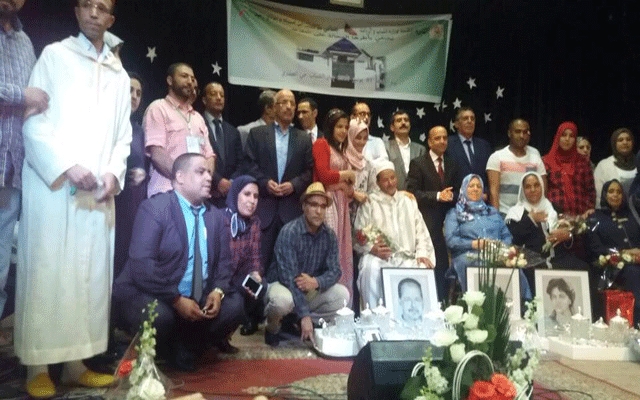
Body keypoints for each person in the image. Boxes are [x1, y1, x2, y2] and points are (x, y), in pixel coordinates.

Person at [17, 0, 131, 396]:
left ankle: (75, 365)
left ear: (111, 18)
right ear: (77, 11)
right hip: (54, 189)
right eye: (87, 5)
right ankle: (37, 367)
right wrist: (67, 166)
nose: (94, 13)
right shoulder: (54, 56)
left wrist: (113, 172)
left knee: (87, 279)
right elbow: (33, 122)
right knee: (48, 273)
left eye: (102, 7)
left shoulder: (119, 74)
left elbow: (123, 135)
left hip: (97, 192)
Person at [113, 153, 245, 370]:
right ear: (180, 177)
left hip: (194, 300)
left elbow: (224, 264)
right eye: (200, 172)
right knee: (160, 317)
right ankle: (173, 345)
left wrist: (217, 292)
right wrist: (175, 299)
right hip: (155, 294)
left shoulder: (215, 216)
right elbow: (142, 266)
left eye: (209, 172)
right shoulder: (155, 208)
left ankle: (185, 344)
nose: (208, 178)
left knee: (235, 306)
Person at [0, 0, 49, 341]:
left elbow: (38, 100)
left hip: (13, 169)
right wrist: (23, 95)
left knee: (1, 264)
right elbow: (29, 96)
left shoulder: (25, 41)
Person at [264, 182, 349, 347]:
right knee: (281, 301)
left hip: (309, 288)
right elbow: (289, 278)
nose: (319, 211)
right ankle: (273, 328)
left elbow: (335, 270)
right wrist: (304, 314)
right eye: (314, 205)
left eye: (323, 206)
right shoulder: (289, 232)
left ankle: (301, 322)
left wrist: (316, 282)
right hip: (284, 286)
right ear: (304, 206)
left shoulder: (329, 235)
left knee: (342, 295)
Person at [244, 89, 313, 275]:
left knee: (290, 268)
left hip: (291, 212)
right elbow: (248, 165)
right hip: (263, 210)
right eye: (284, 102)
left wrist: (294, 185)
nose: (289, 107)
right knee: (257, 267)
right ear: (274, 107)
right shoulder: (257, 134)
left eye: (292, 103)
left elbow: (309, 172)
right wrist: (265, 182)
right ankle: (257, 295)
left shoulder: (303, 138)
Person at [354, 161, 435, 309]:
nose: (390, 183)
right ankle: (373, 315)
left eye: (393, 178)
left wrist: (422, 253)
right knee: (369, 267)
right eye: (385, 180)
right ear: (377, 182)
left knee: (423, 267)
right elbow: (359, 232)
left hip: (408, 257)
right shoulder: (369, 202)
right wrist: (372, 249)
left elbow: (421, 231)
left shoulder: (408, 201)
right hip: (380, 257)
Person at [505, 173, 589, 292]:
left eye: (536, 185)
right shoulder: (516, 213)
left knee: (583, 268)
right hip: (532, 260)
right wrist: (530, 219)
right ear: (522, 190)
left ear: (542, 186)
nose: (533, 190)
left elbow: (569, 233)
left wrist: (568, 235)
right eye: (528, 187)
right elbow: (513, 237)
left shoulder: (554, 208)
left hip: (558, 258)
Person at [407, 125, 462, 301]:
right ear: (429, 142)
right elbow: (412, 193)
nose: (442, 141)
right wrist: (438, 196)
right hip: (428, 222)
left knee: (449, 266)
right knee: (437, 264)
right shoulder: (418, 163)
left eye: (445, 138)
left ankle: (448, 302)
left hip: (451, 220)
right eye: (437, 138)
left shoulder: (453, 163)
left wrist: (452, 196)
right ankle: (434, 301)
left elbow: (459, 192)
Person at [144, 62, 215, 197]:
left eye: (192, 79)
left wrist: (202, 181)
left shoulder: (198, 117)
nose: (190, 82)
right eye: (184, 76)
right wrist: (184, 182)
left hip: (196, 197)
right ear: (170, 80)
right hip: (166, 193)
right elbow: (157, 154)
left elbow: (210, 156)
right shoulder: (158, 108)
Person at [312, 108, 356, 299]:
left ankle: (342, 299)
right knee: (329, 246)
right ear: (330, 127)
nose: (344, 131)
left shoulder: (340, 149)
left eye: (346, 127)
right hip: (328, 202)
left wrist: (348, 187)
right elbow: (323, 175)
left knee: (341, 249)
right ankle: (324, 298)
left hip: (342, 204)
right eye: (339, 126)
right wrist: (346, 175)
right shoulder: (321, 144)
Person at [585, 179, 640, 326]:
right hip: (611, 268)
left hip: (636, 262)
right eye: (611, 191)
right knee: (634, 273)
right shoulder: (595, 217)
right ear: (604, 195)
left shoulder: (631, 216)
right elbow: (596, 249)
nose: (615, 195)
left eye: (619, 192)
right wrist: (624, 253)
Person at [444, 174, 512, 292]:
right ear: (464, 189)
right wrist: (474, 244)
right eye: (471, 186)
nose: (475, 189)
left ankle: (521, 301)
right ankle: (475, 301)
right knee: (471, 263)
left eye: (479, 186)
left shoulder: (492, 212)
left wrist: (501, 249)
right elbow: (451, 240)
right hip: (468, 255)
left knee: (515, 265)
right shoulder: (455, 213)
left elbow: (506, 235)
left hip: (496, 255)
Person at [114, 72, 148, 278]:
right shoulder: (109, 123)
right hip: (111, 200)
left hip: (133, 204)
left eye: (139, 93)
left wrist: (144, 173)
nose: (134, 96)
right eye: (130, 90)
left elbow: (144, 165)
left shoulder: (139, 131)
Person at [221, 175, 264, 337]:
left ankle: (248, 320)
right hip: (219, 280)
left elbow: (255, 257)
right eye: (247, 194)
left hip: (238, 278)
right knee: (236, 303)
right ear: (235, 194)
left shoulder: (254, 222)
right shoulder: (220, 219)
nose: (252, 201)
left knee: (260, 286)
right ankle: (219, 336)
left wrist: (255, 274)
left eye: (256, 196)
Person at [486, 118, 547, 214]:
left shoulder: (536, 158)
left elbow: (543, 191)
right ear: (509, 133)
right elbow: (494, 193)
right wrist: (496, 218)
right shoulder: (497, 157)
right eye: (518, 132)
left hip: (530, 215)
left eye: (525, 132)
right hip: (504, 213)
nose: (522, 136)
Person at [201, 82, 244, 207]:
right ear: (204, 100)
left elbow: (241, 163)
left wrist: (231, 182)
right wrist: (218, 181)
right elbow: (197, 158)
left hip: (229, 196)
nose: (219, 98)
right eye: (214, 94)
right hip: (205, 194)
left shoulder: (233, 131)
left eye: (222, 95)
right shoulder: (197, 124)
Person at [542, 121, 595, 216]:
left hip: (580, 217)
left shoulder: (583, 162)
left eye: (571, 136)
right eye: (563, 135)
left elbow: (590, 191)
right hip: (553, 216)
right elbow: (542, 192)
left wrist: (589, 211)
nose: (567, 139)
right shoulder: (546, 161)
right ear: (558, 137)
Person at [445, 107, 492, 189]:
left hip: (480, 194)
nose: (470, 121)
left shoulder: (484, 146)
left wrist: (486, 192)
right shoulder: (447, 144)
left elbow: (489, 174)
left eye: (472, 119)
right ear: (456, 124)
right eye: (465, 118)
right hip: (456, 194)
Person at [345, 118, 378, 223]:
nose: (362, 142)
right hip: (343, 210)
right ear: (349, 137)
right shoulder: (342, 161)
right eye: (358, 138)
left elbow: (373, 191)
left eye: (365, 138)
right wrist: (354, 194)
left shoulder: (368, 165)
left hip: (362, 214)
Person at [385, 109, 426, 190]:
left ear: (410, 126)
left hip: (416, 195)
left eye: (406, 120)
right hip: (393, 194)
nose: (403, 123)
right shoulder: (385, 147)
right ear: (392, 127)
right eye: (399, 120)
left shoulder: (421, 149)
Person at [594, 128, 637, 206]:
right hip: (611, 212)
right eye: (620, 140)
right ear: (614, 143)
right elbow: (598, 196)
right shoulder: (604, 165)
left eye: (628, 139)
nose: (625, 142)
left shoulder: (638, 163)